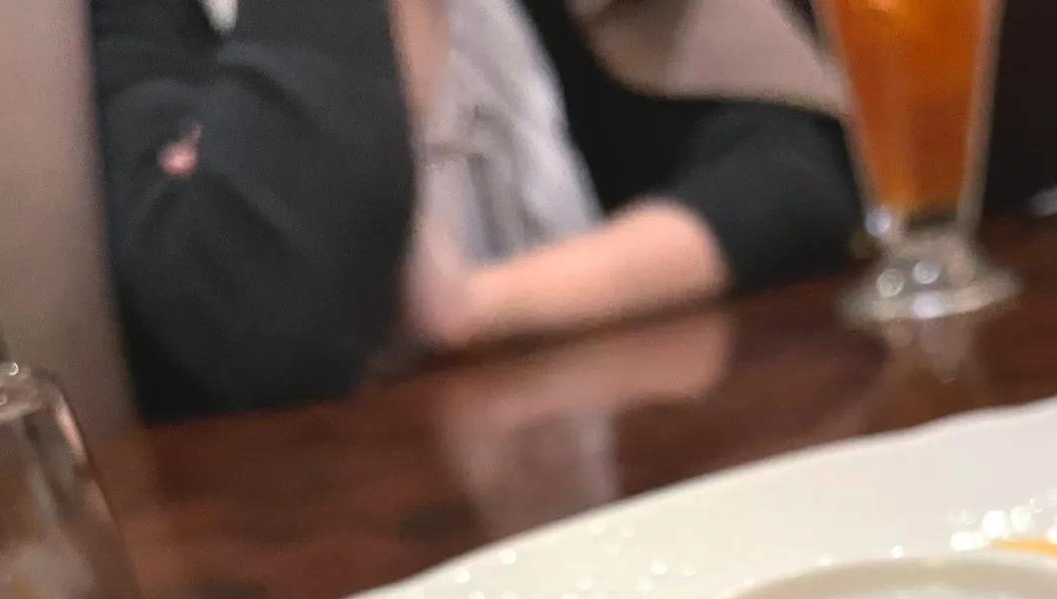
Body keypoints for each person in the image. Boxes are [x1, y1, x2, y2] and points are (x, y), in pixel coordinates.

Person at [93, 0, 863, 418]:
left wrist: (478, 305)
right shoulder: (118, 26)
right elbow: (271, 312)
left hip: (605, 480)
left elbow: (796, 170)